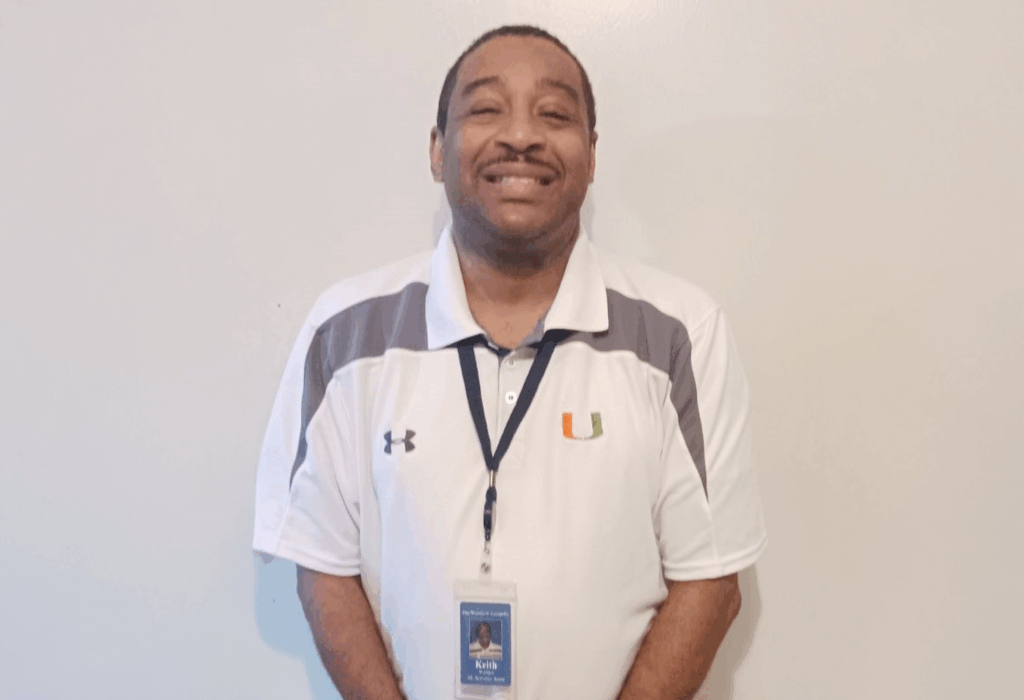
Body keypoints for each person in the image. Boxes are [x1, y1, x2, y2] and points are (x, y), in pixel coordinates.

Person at [253, 24, 767, 700]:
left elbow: (710, 579)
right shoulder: (345, 332)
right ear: (438, 150)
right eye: (486, 109)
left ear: (590, 156)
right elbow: (322, 564)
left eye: (554, 114)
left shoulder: (681, 333)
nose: (521, 136)